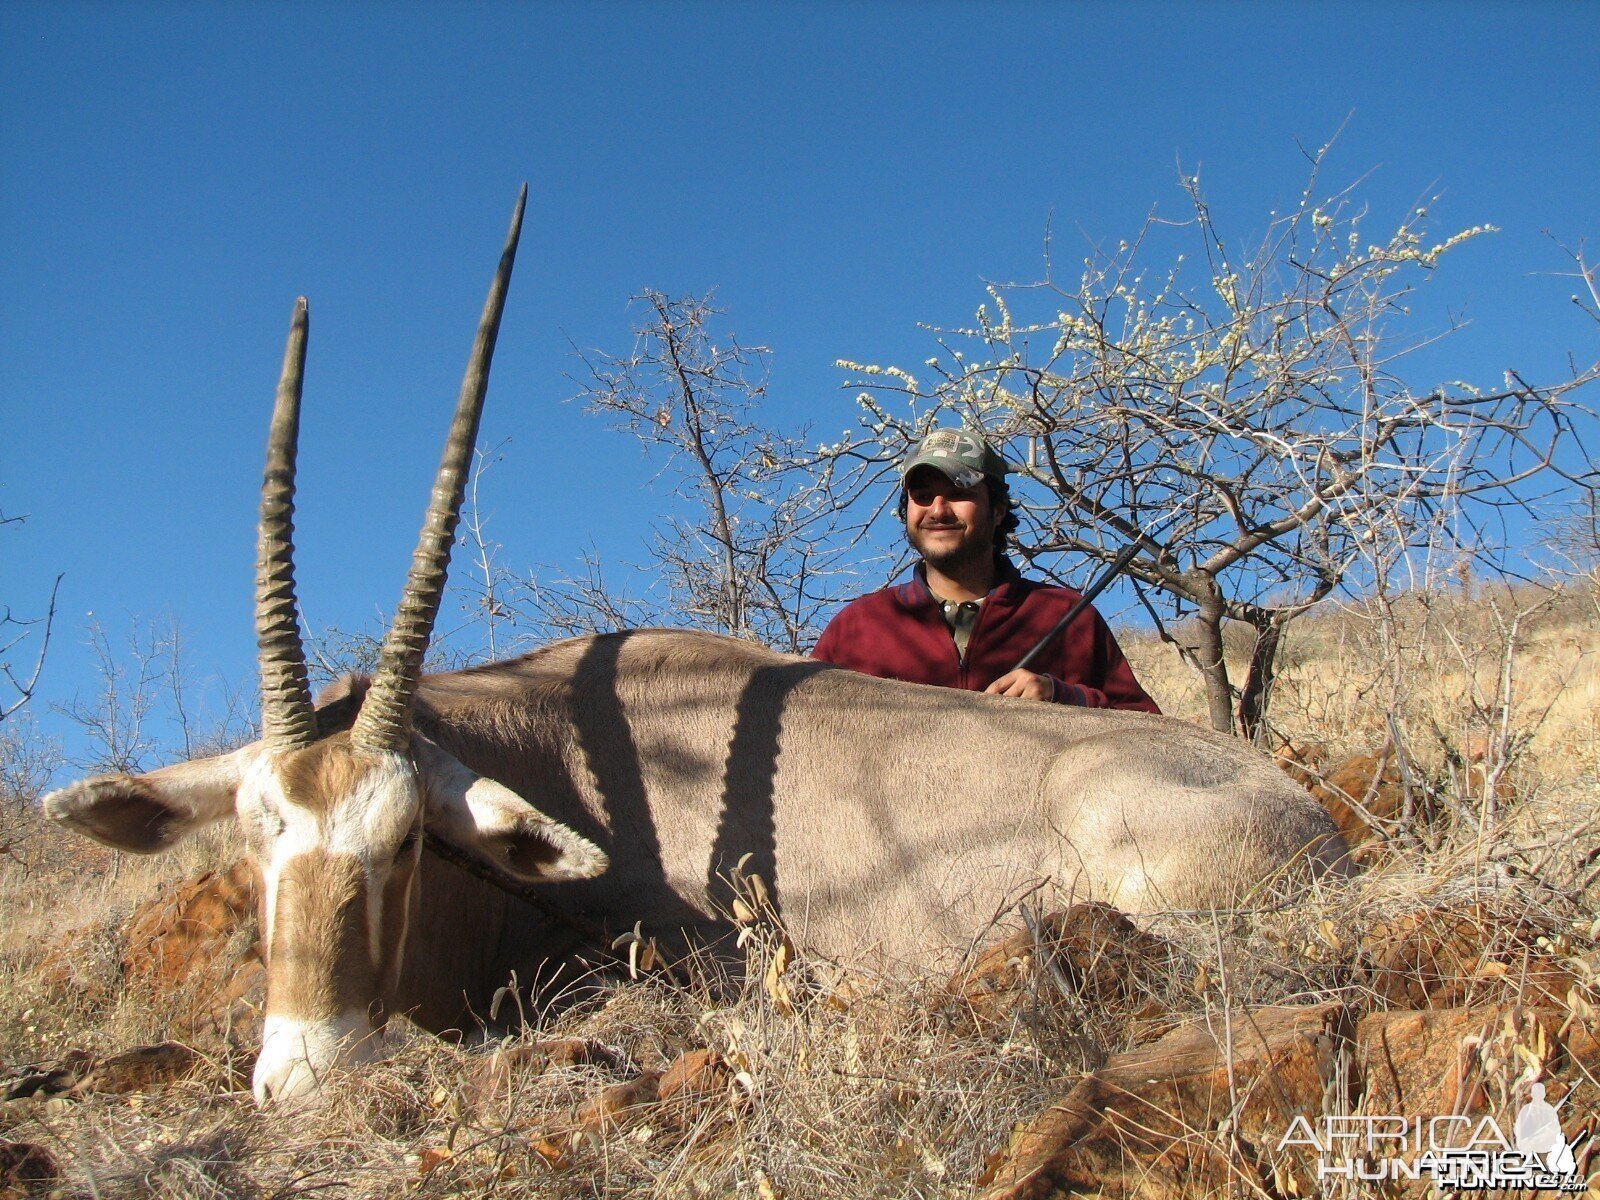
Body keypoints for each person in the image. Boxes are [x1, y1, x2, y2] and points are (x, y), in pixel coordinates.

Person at [812, 428, 1160, 712]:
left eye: (958, 492)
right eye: (922, 496)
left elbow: (1146, 732)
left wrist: (1062, 696)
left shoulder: (1067, 615)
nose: (938, 510)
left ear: (997, 510)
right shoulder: (858, 625)